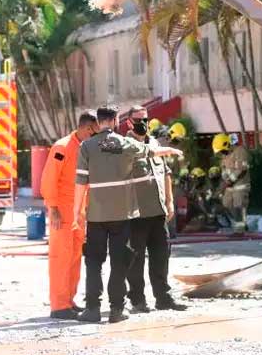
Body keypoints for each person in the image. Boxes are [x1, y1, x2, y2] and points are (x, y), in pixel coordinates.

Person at [73, 105, 183, 324]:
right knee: (119, 262)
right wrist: (171, 150)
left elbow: (81, 183)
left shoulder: (87, 146)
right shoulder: (126, 144)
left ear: (98, 122)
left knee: (94, 262)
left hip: (96, 216)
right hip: (122, 215)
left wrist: (77, 212)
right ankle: (117, 310)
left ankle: (92, 309)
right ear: (115, 121)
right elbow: (153, 152)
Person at [125, 106, 186, 313]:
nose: (144, 122)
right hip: (136, 213)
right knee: (135, 259)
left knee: (161, 257)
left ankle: (163, 297)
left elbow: (166, 174)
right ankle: (137, 300)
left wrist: (169, 202)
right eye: (139, 119)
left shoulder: (154, 143)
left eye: (146, 118)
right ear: (129, 122)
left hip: (158, 212)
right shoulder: (124, 146)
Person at [40, 111, 99, 320]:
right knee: (60, 257)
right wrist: (53, 208)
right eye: (95, 132)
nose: (96, 136)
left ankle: (68, 301)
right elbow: (49, 179)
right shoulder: (62, 147)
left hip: (78, 211)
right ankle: (58, 305)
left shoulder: (86, 148)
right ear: (87, 128)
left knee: (74, 257)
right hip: (62, 210)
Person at [213, 133, 251, 234]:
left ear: (227, 144)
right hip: (230, 185)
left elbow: (242, 169)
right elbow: (224, 169)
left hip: (240, 185)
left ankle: (240, 230)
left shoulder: (240, 151)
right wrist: (224, 178)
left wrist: (231, 180)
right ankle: (241, 223)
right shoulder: (225, 155)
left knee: (239, 205)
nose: (221, 153)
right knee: (226, 203)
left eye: (222, 150)